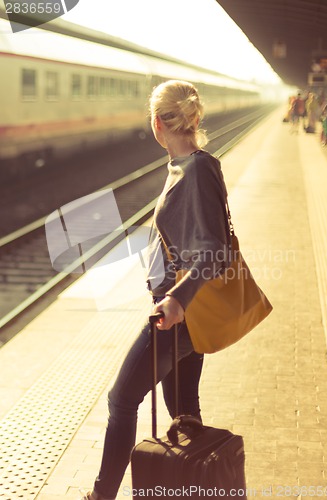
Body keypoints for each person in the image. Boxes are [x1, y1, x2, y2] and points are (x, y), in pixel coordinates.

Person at [81, 80, 231, 500]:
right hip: (187, 310)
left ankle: (101, 495)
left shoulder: (197, 170)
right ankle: (203, 486)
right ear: (193, 118)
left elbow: (215, 251)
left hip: (177, 315)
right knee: (185, 413)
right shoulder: (191, 164)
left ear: (156, 124)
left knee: (121, 401)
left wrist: (177, 299)